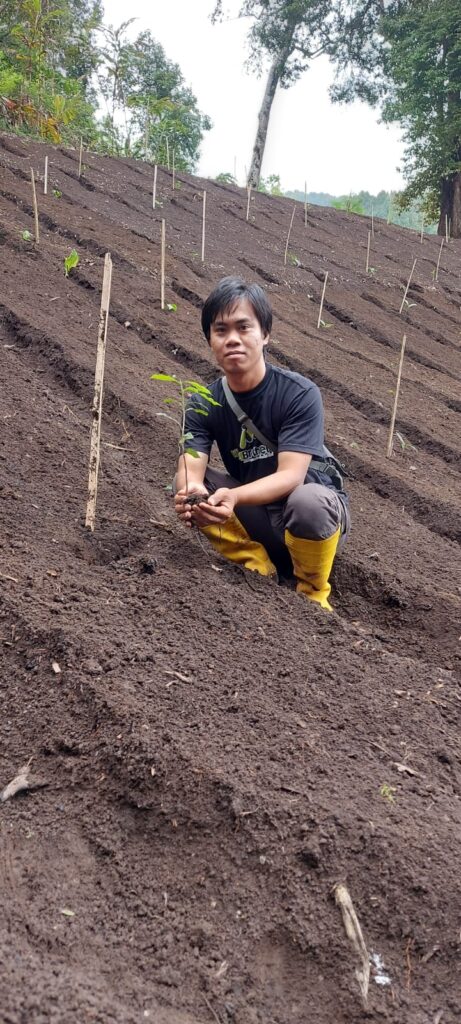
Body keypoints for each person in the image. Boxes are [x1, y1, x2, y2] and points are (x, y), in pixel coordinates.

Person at [174, 276, 350, 610]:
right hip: (255, 514)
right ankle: (256, 565)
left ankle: (312, 592)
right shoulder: (201, 402)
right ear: (209, 339)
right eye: (221, 330)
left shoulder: (298, 393)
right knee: (189, 487)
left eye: (244, 328)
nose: (233, 340)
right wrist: (192, 496)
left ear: (265, 335)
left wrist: (233, 496)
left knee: (308, 502)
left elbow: (291, 478)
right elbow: (192, 464)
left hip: (308, 517)